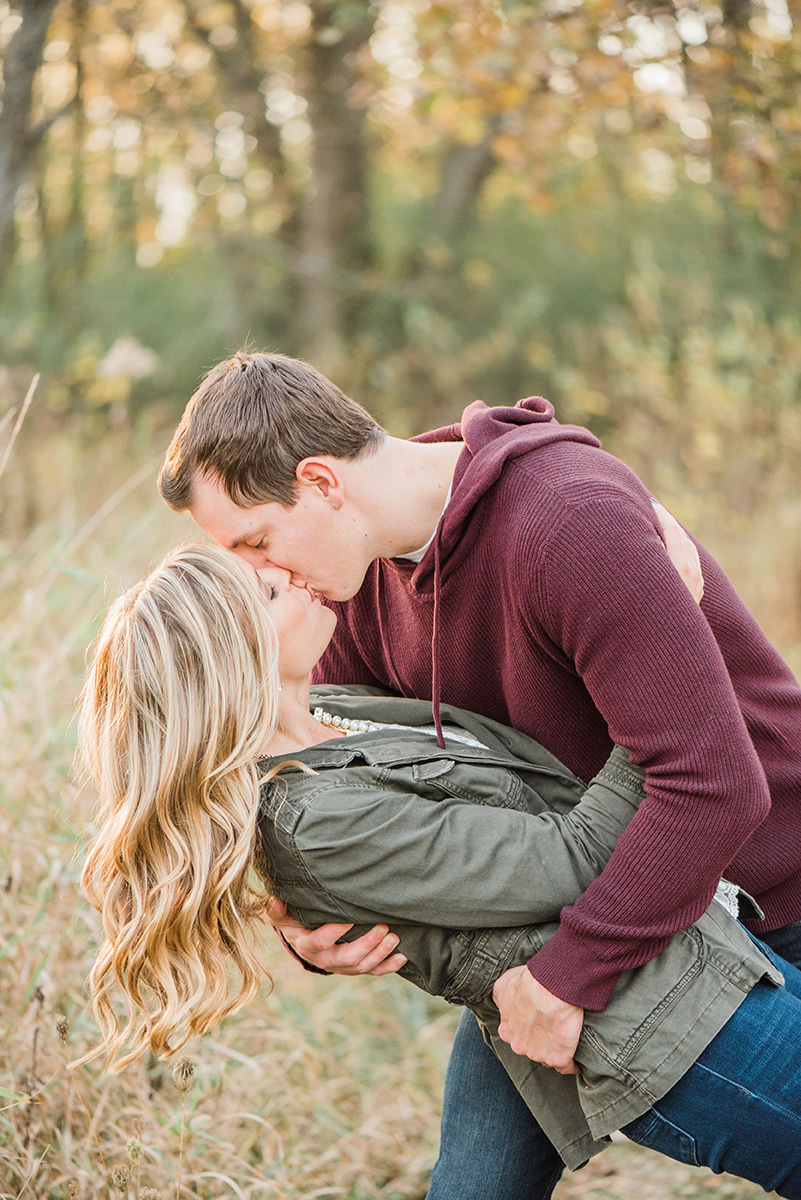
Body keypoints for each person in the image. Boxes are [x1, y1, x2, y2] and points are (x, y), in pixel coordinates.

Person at [157, 351, 801, 1199]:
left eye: (256, 541)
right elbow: (342, 777)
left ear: (320, 482)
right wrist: (312, 928)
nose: (263, 579)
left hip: (764, 883)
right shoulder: (350, 591)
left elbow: (713, 783)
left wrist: (569, 976)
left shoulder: (568, 520)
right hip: (570, 912)